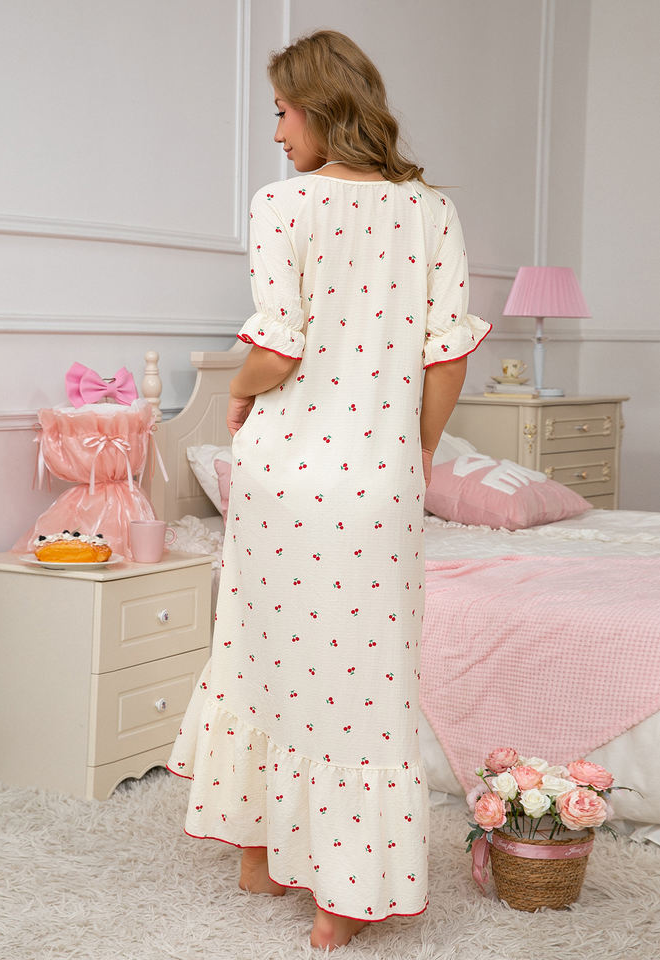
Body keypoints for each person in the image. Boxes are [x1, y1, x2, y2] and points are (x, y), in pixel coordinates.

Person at [167, 29, 491, 951]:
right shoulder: (429, 210)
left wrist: (236, 391)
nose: (276, 132)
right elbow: (446, 357)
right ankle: (331, 890)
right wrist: (413, 453)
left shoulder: (283, 205)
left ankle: (264, 853)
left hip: (282, 479)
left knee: (261, 657)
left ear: (317, 108)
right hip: (372, 484)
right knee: (365, 687)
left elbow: (276, 349)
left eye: (280, 111)